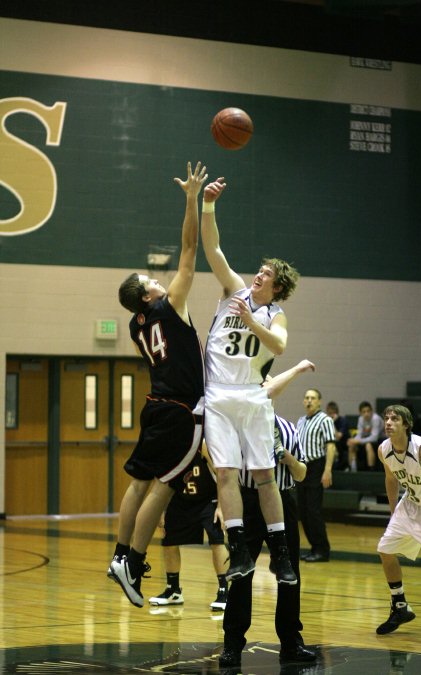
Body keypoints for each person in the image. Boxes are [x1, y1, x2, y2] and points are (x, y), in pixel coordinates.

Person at [108, 161, 208, 608]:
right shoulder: (171, 305)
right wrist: (192, 198)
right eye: (153, 281)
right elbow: (190, 247)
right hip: (182, 410)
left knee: (138, 483)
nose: (160, 280)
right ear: (150, 294)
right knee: (166, 485)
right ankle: (132, 561)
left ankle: (118, 555)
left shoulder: (135, 326)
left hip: (155, 404)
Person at [201, 176, 300, 585]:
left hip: (252, 397)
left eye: (265, 275)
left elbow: (278, 346)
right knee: (225, 473)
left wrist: (249, 323)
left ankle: (279, 553)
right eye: (258, 271)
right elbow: (213, 248)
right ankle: (239, 547)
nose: (257, 276)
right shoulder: (232, 290)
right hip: (218, 397)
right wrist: (208, 206)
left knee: (263, 475)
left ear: (276, 287)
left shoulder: (273, 314)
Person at [220, 406, 316, 669]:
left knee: (290, 573)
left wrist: (290, 460)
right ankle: (232, 644)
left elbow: (302, 474)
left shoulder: (289, 429)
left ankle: (290, 642)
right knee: (242, 574)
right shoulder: (236, 427)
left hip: (283, 501)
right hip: (248, 503)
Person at [376, 404, 421, 635]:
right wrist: (392, 511)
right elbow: (391, 479)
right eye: (386, 418)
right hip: (409, 506)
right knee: (385, 549)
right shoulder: (383, 449)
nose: (388, 422)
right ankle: (400, 606)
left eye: (394, 419)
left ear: (406, 425)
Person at [149, 443, 229, 611]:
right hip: (180, 500)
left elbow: (221, 474)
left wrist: (222, 507)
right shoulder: (168, 446)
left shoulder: (202, 445)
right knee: (169, 540)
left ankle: (224, 591)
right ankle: (173, 590)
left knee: (217, 540)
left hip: (207, 499)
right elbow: (159, 480)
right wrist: (159, 510)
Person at [296, 388, 336, 562]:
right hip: (301, 468)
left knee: (313, 511)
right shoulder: (301, 421)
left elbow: (330, 446)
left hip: (316, 467)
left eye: (313, 398)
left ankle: (322, 550)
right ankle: (314, 548)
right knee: (303, 512)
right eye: (306, 398)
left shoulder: (325, 420)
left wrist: (327, 470)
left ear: (319, 401)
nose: (309, 401)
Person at [347, 401, 384, 471]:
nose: (366, 414)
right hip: (367, 439)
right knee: (351, 445)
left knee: (368, 445)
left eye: (368, 411)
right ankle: (351, 468)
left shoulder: (375, 419)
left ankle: (371, 470)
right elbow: (359, 434)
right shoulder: (360, 419)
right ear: (360, 413)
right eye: (364, 412)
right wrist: (353, 441)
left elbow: (374, 438)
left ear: (371, 411)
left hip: (381, 440)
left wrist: (358, 441)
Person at [326, 401, 350, 470]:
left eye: (332, 413)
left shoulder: (343, 421)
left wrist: (332, 423)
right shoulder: (326, 422)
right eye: (329, 413)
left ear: (336, 413)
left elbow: (338, 437)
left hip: (342, 444)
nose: (330, 415)